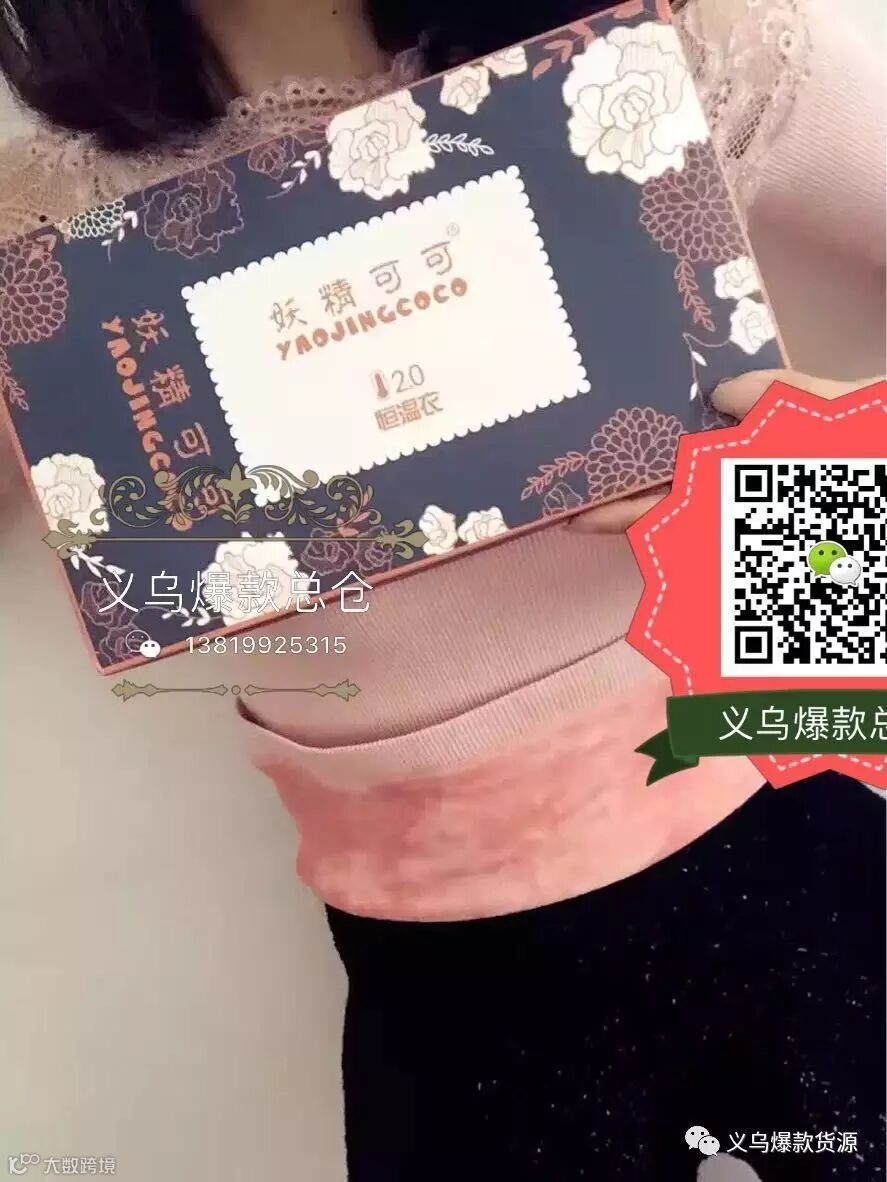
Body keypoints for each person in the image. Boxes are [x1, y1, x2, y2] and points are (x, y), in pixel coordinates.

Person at [0, 2, 884, 1179]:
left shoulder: (677, 47)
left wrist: (835, 480)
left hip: (805, 843)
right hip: (441, 977)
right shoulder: (45, 220)